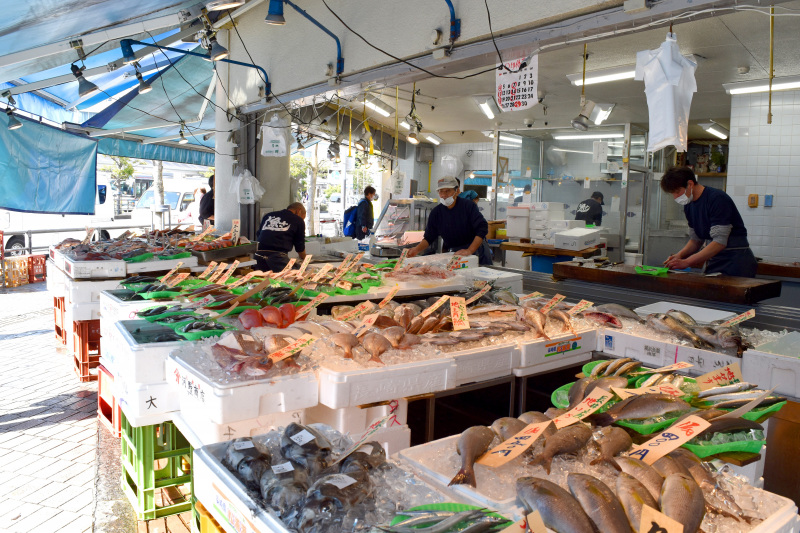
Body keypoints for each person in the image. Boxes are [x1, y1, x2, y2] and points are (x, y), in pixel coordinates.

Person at [661, 166, 757, 277]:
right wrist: (679, 256)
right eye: (673, 193)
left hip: (735, 262)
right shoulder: (689, 205)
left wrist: (687, 262)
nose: (675, 197)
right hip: (714, 260)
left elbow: (719, 242)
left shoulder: (717, 199)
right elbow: (696, 240)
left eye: (677, 192)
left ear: (690, 184)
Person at [407, 177, 491, 265]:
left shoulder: (468, 206)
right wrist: (416, 250)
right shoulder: (436, 212)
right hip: (456, 252)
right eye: (441, 191)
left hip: (476, 250)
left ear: (457, 191)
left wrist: (470, 250)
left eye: (447, 191)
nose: (443, 195)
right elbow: (429, 237)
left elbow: (482, 228)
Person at [256, 202, 307, 272]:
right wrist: (305, 258)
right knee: (295, 274)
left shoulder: (268, 215)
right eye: (302, 217)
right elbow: (299, 245)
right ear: (299, 211)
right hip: (278, 257)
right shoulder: (298, 220)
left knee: (263, 280)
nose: (302, 219)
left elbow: (259, 234)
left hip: (258, 255)